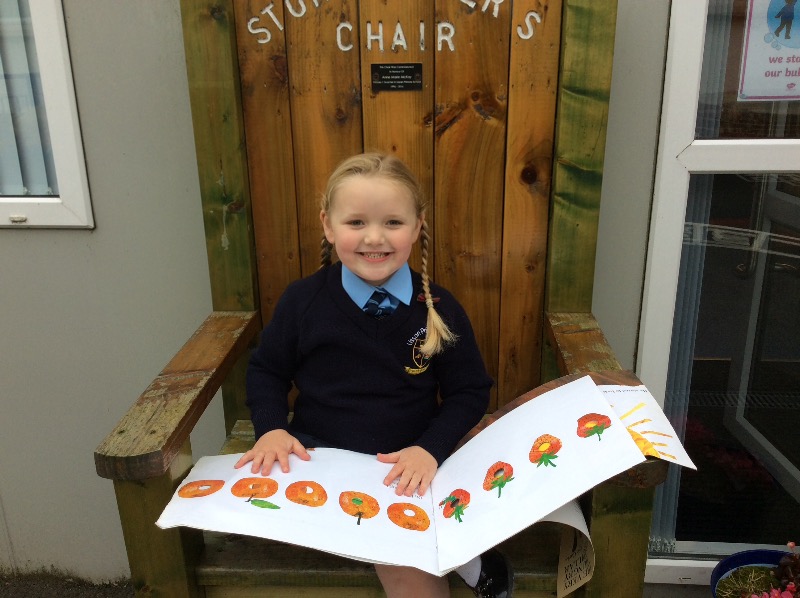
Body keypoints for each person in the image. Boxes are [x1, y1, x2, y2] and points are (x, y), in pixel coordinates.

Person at [235, 152, 514, 598]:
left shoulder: (438, 310)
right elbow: (267, 371)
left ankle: (467, 558)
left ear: (417, 226)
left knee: (405, 566)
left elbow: (469, 390)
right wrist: (270, 429)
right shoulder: (303, 302)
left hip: (406, 468)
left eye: (393, 222)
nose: (374, 237)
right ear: (328, 225)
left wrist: (429, 449)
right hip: (320, 460)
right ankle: (470, 561)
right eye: (356, 222)